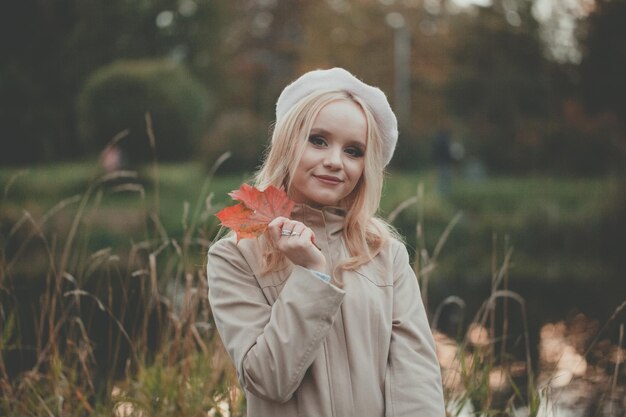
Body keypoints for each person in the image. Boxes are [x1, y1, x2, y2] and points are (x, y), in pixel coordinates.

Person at [207, 68, 445, 416]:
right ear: (288, 143)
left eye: (353, 151)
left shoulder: (384, 253)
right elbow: (268, 380)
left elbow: (416, 382)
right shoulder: (235, 256)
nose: (335, 162)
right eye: (318, 140)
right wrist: (312, 275)